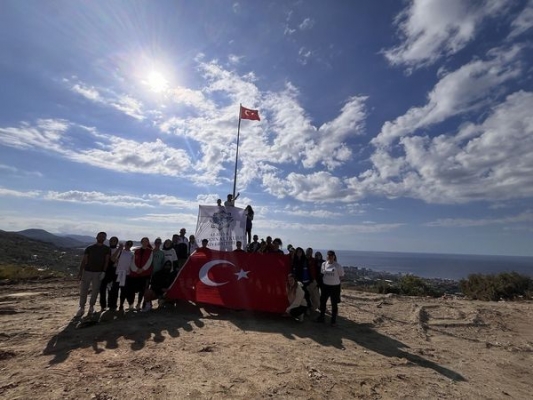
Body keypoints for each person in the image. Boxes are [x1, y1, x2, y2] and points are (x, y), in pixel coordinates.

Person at [76, 232, 111, 317]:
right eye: (100, 236)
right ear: (96, 237)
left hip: (98, 272)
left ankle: (91, 306)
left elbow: (106, 261)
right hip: (87, 271)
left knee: (95, 290)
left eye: (103, 237)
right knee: (84, 290)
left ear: (105, 239)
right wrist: (80, 272)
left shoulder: (107, 249)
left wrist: (104, 271)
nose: (101, 238)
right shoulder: (89, 248)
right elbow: (84, 260)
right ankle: (82, 307)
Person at [316, 250, 344, 326]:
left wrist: (335, 282)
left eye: (331, 255)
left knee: (334, 304)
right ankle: (322, 317)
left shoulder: (338, 266)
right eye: (328, 255)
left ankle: (333, 320)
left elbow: (341, 276)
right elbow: (322, 274)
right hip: (325, 286)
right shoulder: (324, 264)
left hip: (335, 287)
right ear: (327, 256)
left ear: (334, 256)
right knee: (323, 302)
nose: (330, 256)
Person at [128, 237, 153, 310]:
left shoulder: (150, 251)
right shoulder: (137, 251)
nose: (145, 242)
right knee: (132, 289)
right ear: (141, 242)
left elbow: (149, 261)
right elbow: (133, 261)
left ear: (148, 242)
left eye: (146, 241)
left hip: (145, 274)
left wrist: (142, 269)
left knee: (143, 290)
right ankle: (131, 304)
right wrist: (136, 269)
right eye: (143, 241)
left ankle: (139, 304)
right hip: (135, 274)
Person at [99, 236, 119, 311]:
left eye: (114, 241)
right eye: (111, 240)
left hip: (115, 271)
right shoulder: (106, 249)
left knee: (114, 289)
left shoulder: (119, 250)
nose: (112, 242)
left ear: (116, 242)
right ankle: (103, 305)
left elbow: (116, 260)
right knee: (102, 289)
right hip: (105, 270)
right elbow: (111, 259)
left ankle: (113, 305)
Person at [115, 240, 134, 311]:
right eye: (127, 244)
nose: (128, 245)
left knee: (124, 291)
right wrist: (119, 248)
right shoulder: (120, 251)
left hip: (127, 274)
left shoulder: (132, 254)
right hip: (118, 273)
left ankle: (121, 305)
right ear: (125, 244)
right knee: (116, 290)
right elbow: (114, 259)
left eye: (130, 244)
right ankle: (114, 305)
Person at [291, 247, 311, 312]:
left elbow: (308, 270)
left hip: (304, 281)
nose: (299, 253)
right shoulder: (294, 260)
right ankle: (299, 310)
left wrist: (309, 280)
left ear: (302, 252)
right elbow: (292, 270)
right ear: (296, 253)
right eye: (298, 252)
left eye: (300, 252)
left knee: (306, 295)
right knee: (298, 296)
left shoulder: (305, 260)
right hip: (296, 281)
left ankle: (307, 308)